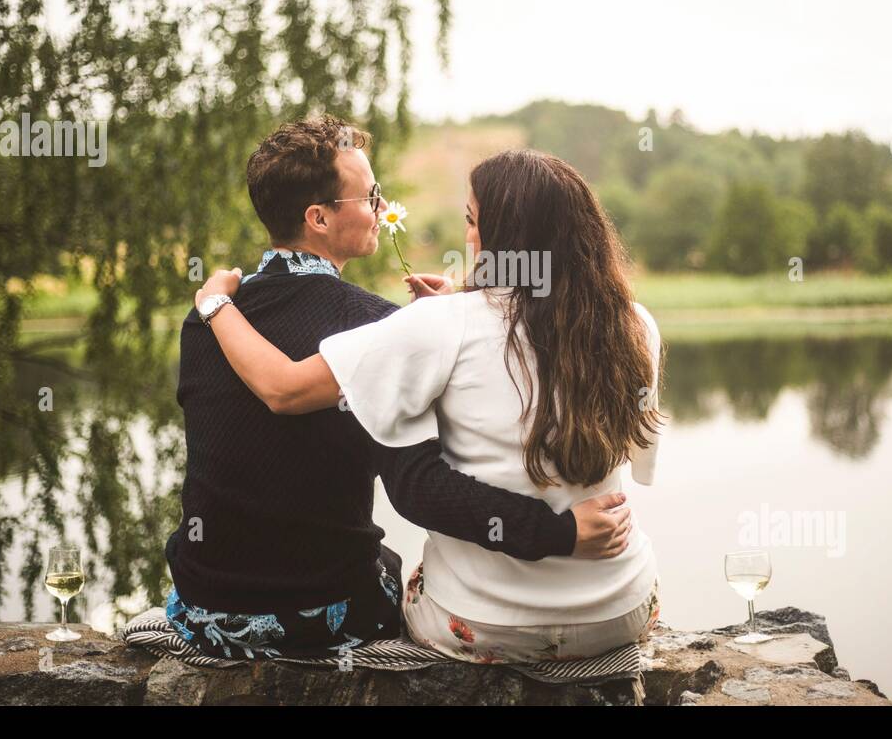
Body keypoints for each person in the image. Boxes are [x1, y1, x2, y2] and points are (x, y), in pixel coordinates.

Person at [162, 117, 632, 661]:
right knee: (387, 568)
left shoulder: (207, 319)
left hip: (204, 609)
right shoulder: (372, 324)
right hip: (324, 613)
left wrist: (445, 317)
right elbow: (418, 486)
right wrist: (556, 532)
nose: (382, 209)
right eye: (370, 197)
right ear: (318, 218)